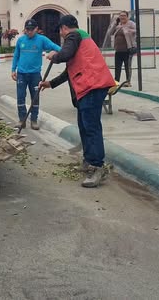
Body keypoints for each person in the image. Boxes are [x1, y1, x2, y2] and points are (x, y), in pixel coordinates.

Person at [39, 15, 115, 188]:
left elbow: (65, 55)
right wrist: (51, 83)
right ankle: (88, 161)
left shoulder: (73, 35)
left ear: (64, 28)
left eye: (60, 31)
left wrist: (55, 55)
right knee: (84, 125)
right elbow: (69, 70)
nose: (61, 35)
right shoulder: (81, 39)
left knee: (91, 127)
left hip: (92, 86)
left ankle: (97, 166)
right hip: (90, 86)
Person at [11, 19, 61, 130]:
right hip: (21, 74)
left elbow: (56, 47)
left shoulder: (42, 39)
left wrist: (56, 52)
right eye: (27, 29)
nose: (29, 32)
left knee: (35, 97)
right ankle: (22, 120)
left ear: (36, 29)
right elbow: (16, 55)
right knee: (20, 97)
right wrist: (13, 69)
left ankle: (34, 120)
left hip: (35, 74)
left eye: (31, 30)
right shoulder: (21, 40)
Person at [104, 11, 136, 87]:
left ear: (127, 17)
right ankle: (116, 81)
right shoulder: (118, 25)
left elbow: (136, 31)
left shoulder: (131, 24)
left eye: (124, 15)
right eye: (121, 15)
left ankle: (128, 82)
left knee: (127, 66)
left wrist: (127, 30)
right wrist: (115, 24)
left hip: (128, 49)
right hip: (118, 50)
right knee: (117, 66)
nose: (122, 17)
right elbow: (110, 33)